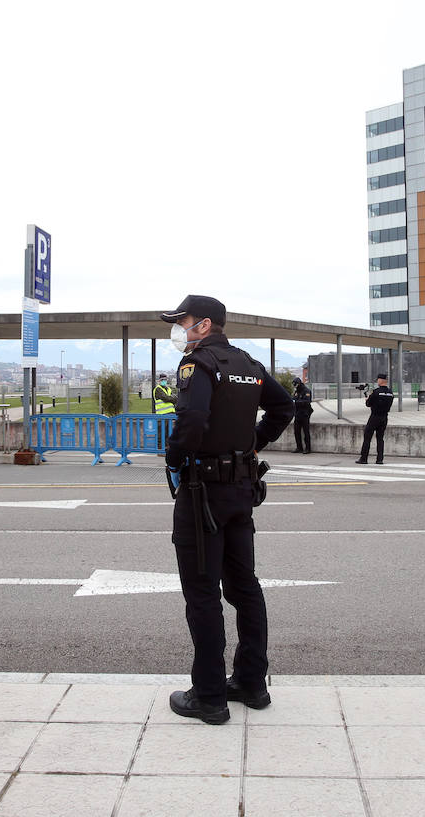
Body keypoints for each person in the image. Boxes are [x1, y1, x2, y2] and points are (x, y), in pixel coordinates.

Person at [160, 295, 293, 724]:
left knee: (202, 593)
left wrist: (174, 459)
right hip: (241, 488)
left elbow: (192, 420)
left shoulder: (199, 364)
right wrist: (254, 442)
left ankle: (209, 696)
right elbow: (283, 406)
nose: (177, 329)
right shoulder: (248, 365)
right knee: (244, 587)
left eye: (181, 322)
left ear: (203, 325)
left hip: (203, 493)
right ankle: (252, 684)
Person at [356, 372, 394, 464]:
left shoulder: (376, 392)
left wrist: (368, 398)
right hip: (384, 418)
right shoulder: (390, 393)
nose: (377, 381)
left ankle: (364, 458)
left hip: (374, 417)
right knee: (380, 438)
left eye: (378, 379)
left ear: (381, 380)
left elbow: (368, 404)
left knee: (367, 437)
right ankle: (380, 459)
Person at [290, 376, 313, 453]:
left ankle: (308, 448)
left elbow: (306, 402)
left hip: (305, 414)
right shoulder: (297, 392)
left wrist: (296, 402)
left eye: (296, 385)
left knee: (306, 432)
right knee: (296, 432)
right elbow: (293, 399)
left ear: (299, 384)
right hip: (297, 414)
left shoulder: (307, 391)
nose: (295, 387)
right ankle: (299, 447)